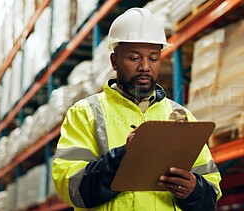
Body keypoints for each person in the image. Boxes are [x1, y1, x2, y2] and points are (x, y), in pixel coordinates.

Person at [52, 7, 222, 211]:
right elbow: (71, 186)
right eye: (134, 58)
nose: (145, 67)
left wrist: (194, 190)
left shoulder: (181, 117)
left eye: (153, 58)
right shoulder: (85, 113)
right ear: (114, 61)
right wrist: (124, 157)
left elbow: (211, 191)